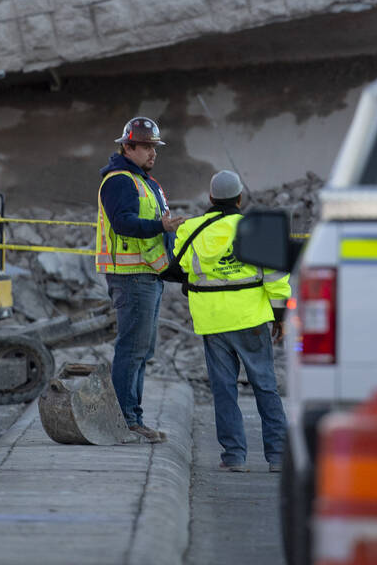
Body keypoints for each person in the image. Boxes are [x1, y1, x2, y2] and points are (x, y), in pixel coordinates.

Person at [175, 168, 289, 472]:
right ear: (240, 198)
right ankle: (278, 456)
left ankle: (234, 456)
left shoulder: (190, 230)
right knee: (265, 385)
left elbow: (180, 266)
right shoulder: (258, 229)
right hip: (250, 319)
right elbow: (276, 277)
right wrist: (280, 315)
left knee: (224, 388)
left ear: (211, 197)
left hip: (213, 322)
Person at [96, 116, 184, 443]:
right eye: (146, 146)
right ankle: (126, 421)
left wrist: (172, 267)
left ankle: (133, 418)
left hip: (147, 275)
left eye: (154, 147)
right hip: (131, 277)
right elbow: (124, 224)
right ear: (127, 146)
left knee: (141, 350)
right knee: (133, 349)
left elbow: (152, 229)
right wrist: (162, 228)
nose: (152, 152)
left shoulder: (145, 182)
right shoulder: (120, 181)